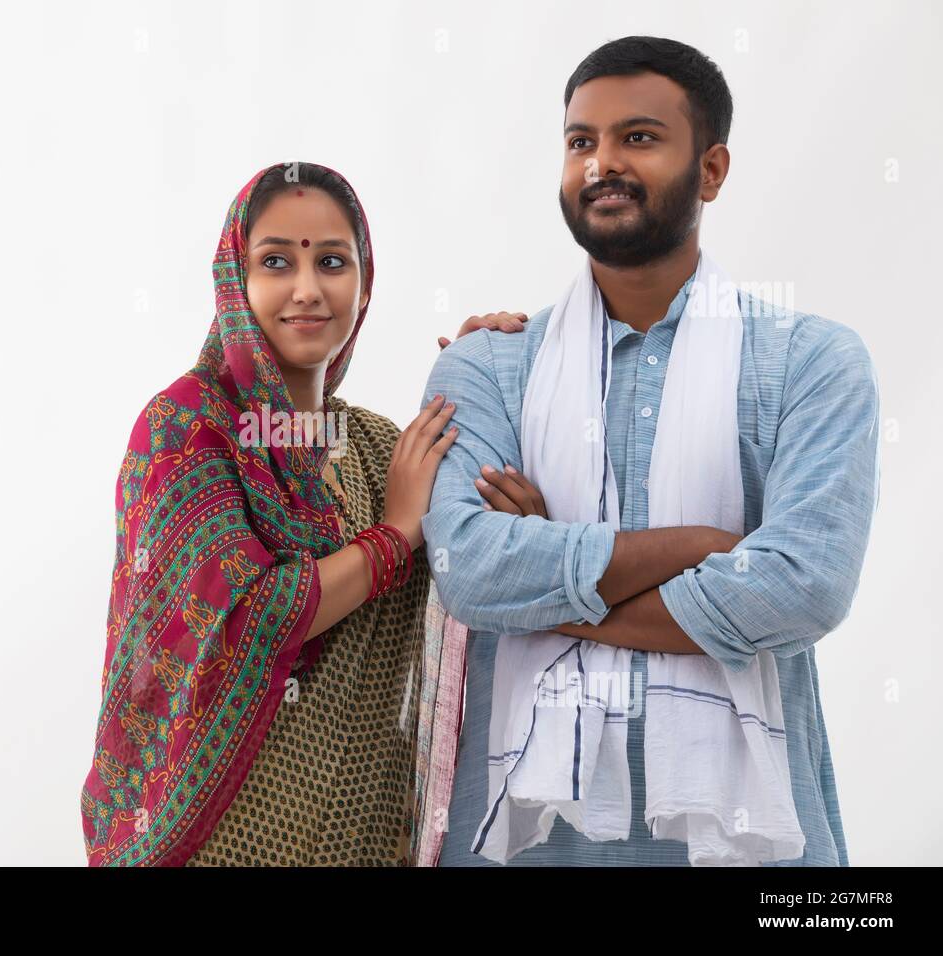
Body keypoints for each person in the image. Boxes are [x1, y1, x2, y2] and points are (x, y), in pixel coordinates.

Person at [422, 36, 879, 866]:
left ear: (711, 171)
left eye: (637, 137)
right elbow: (468, 567)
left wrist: (545, 576)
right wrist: (699, 549)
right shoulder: (487, 364)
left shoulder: (812, 362)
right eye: (580, 141)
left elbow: (803, 586)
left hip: (756, 846)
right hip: (524, 843)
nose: (602, 163)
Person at [80, 161, 528, 866]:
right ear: (236, 279)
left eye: (332, 262)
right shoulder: (187, 428)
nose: (308, 289)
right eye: (277, 261)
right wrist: (394, 536)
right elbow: (246, 615)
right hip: (219, 841)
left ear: (364, 281)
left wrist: (485, 380)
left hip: (365, 836)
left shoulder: (382, 449)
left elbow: (480, 568)